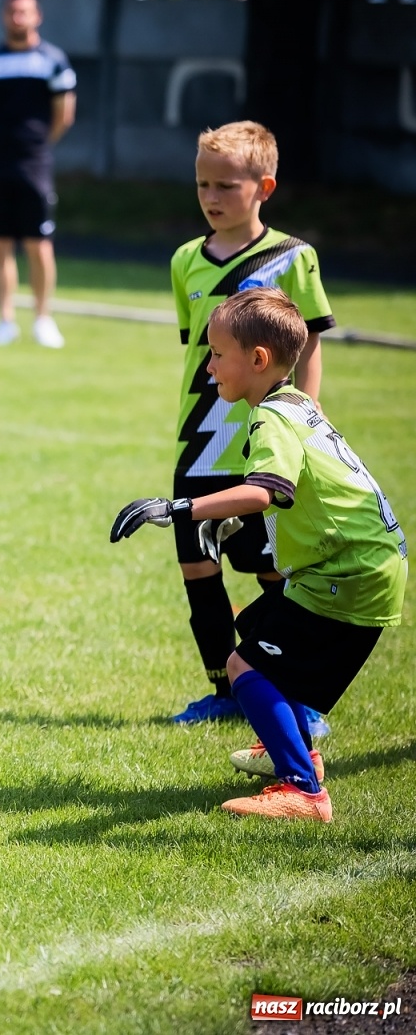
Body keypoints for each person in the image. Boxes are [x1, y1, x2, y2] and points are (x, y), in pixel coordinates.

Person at [111, 289, 405, 822]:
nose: (208, 365)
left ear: (258, 359)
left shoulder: (272, 418)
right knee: (256, 624)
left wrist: (180, 509)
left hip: (349, 571)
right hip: (362, 563)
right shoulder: (298, 404)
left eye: (218, 353)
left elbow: (267, 489)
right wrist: (226, 520)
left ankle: (302, 787)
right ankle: (292, 749)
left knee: (244, 664)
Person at [162, 121, 336, 727]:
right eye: (203, 184)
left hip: (263, 448)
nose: (211, 196)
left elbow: (307, 344)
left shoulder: (294, 257)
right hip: (198, 443)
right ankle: (225, 689)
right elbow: (200, 352)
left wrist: (303, 417)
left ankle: (296, 691)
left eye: (227, 185)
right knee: (198, 567)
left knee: (271, 572)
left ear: (264, 186)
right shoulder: (187, 260)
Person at [0, 0, 75, 349]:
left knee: (39, 244)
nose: (18, 17)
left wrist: (36, 145)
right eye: (12, 11)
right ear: (3, 16)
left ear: (37, 16)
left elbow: (63, 114)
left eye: (25, 11)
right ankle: (5, 320)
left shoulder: (53, 61)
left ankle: (43, 319)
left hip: (35, 165)